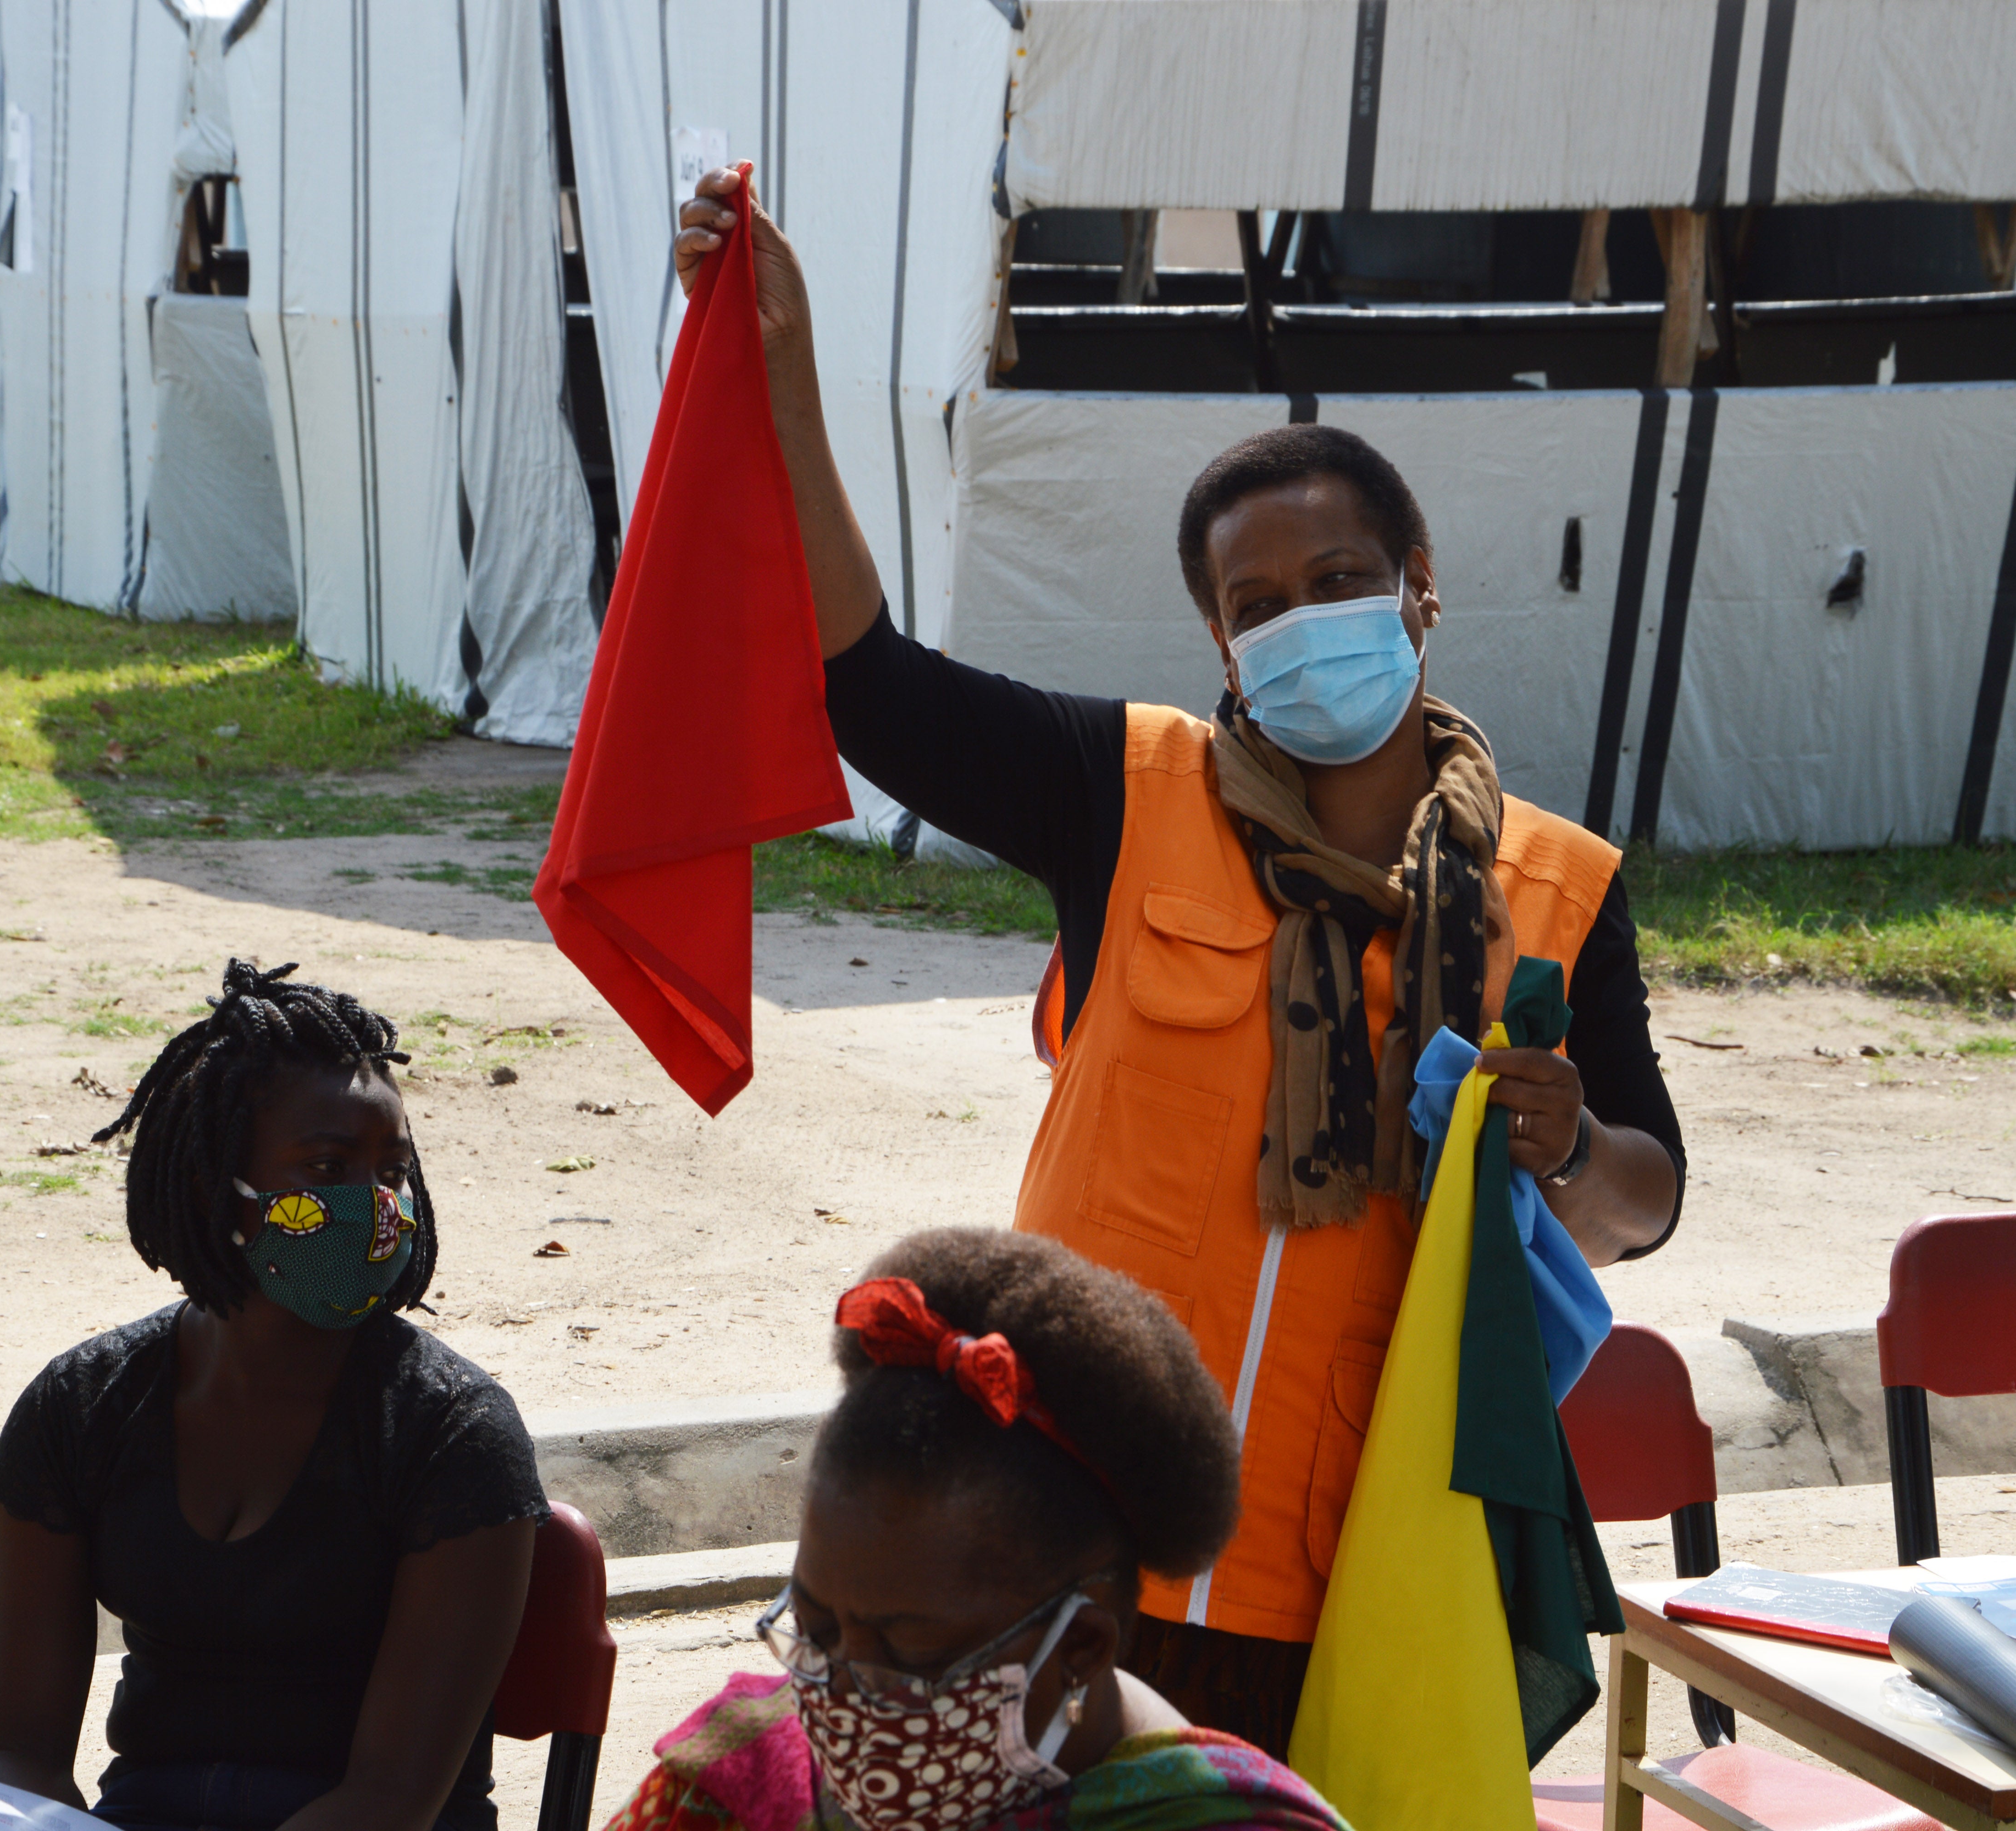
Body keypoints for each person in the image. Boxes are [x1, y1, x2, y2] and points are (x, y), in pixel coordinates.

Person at [675, 168, 1686, 1756]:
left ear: (1419, 587)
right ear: (1220, 645)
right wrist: (783, 374)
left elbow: (1647, 1201)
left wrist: (1565, 1143)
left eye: (1342, 583)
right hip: (1070, 1550)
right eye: (1257, 605)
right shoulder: (1123, 791)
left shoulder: (1557, 885)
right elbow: (867, 686)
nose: (1303, 622)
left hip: (1347, 1557)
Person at [0, 960, 547, 1831]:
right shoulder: (78, 1409)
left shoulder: (452, 1432)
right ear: (212, 1189)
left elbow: (390, 1799)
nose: (376, 1206)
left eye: (391, 1170)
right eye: (326, 1165)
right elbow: (13, 1754)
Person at [605, 1228, 1354, 1831]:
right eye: (818, 1628)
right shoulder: (729, 1793)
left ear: (1080, 1648)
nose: (844, 1702)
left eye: (911, 1651)